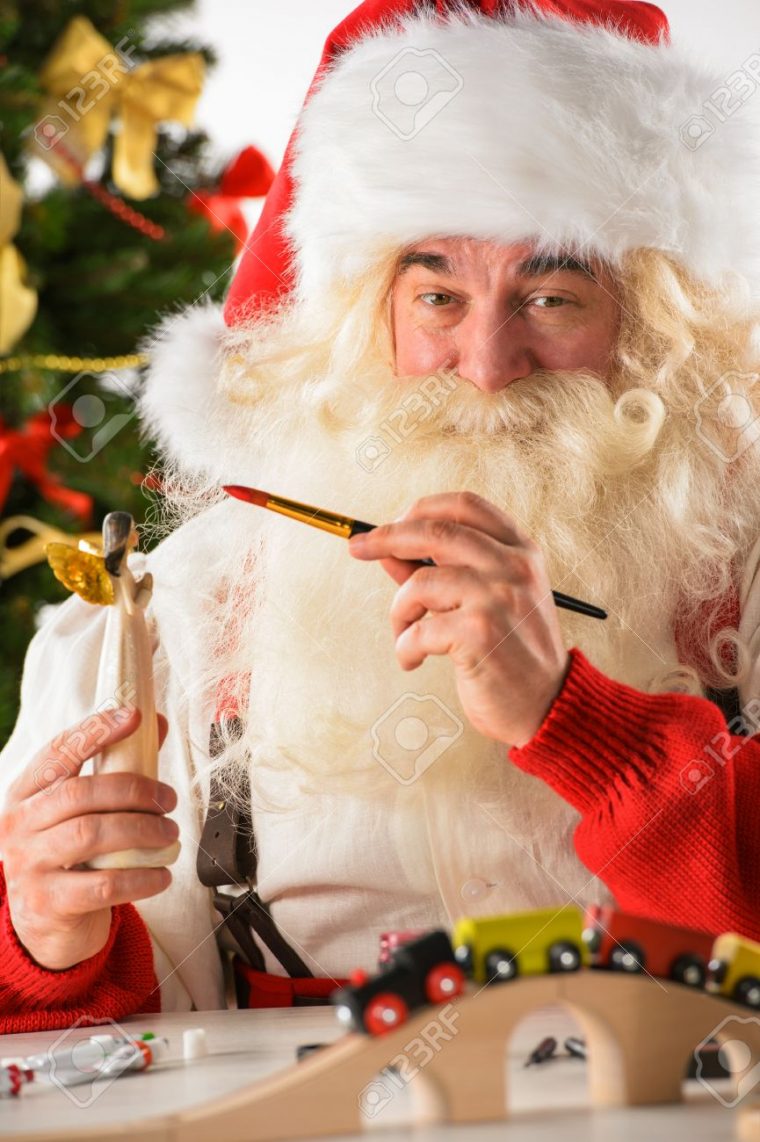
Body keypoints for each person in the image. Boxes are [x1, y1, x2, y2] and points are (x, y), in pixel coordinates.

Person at [2, 0, 760, 1033]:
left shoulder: (745, 577)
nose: (488, 371)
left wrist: (572, 720)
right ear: (367, 317)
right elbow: (103, 1060)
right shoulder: (188, 610)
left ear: (654, 324)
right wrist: (51, 946)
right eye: (437, 296)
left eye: (552, 296)